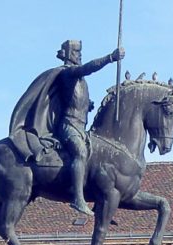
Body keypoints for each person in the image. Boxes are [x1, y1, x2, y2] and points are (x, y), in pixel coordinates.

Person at [9, 40, 124, 216]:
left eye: (80, 53)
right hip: (68, 126)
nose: (79, 56)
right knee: (80, 153)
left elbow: (73, 100)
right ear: (69, 54)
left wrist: (88, 105)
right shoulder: (69, 73)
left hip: (81, 127)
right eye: (77, 53)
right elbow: (88, 68)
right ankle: (78, 199)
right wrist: (110, 58)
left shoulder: (79, 80)